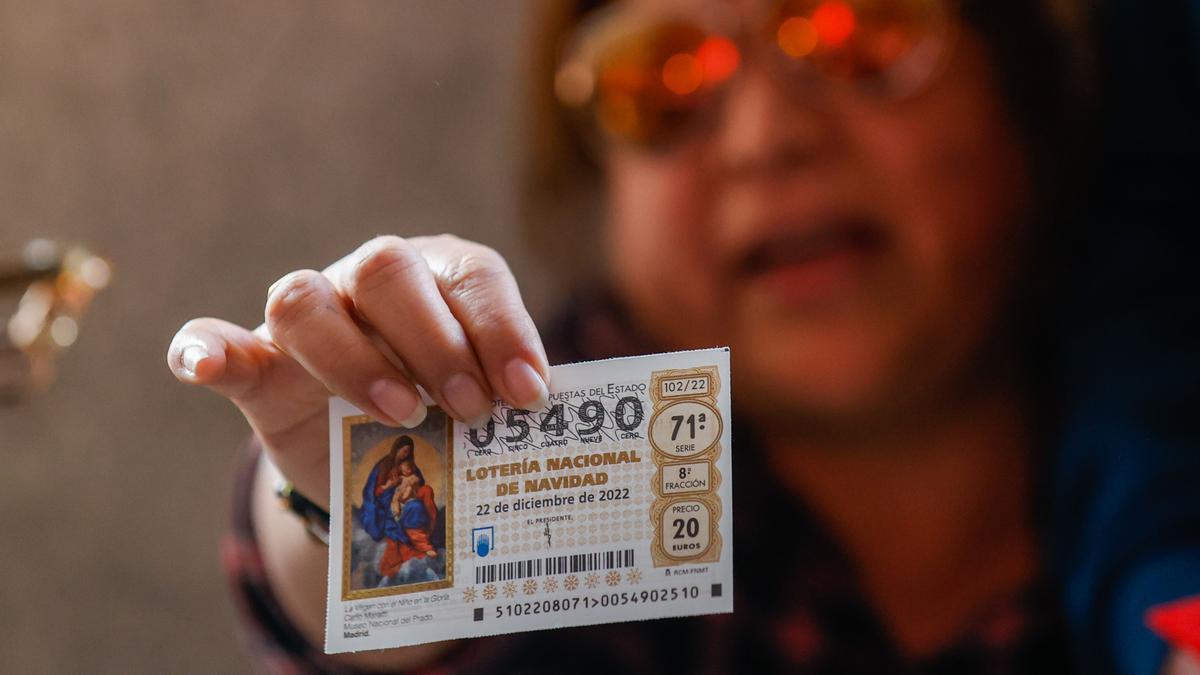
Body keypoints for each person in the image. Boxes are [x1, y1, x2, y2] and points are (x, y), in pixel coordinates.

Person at [166, 0, 1199, 672]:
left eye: (859, 34)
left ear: (1022, 93)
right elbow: (352, 604)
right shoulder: (518, 405)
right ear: (599, 190)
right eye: (659, 82)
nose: (768, 137)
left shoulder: (1156, 389)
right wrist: (350, 480)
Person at [360, 436, 439, 583]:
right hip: (386, 505)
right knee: (415, 507)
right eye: (403, 451)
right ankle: (418, 544)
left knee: (423, 497)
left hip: (408, 500)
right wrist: (390, 486)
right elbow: (373, 492)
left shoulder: (410, 466)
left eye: (408, 452)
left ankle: (423, 536)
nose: (405, 455)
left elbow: (418, 483)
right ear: (396, 449)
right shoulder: (383, 467)